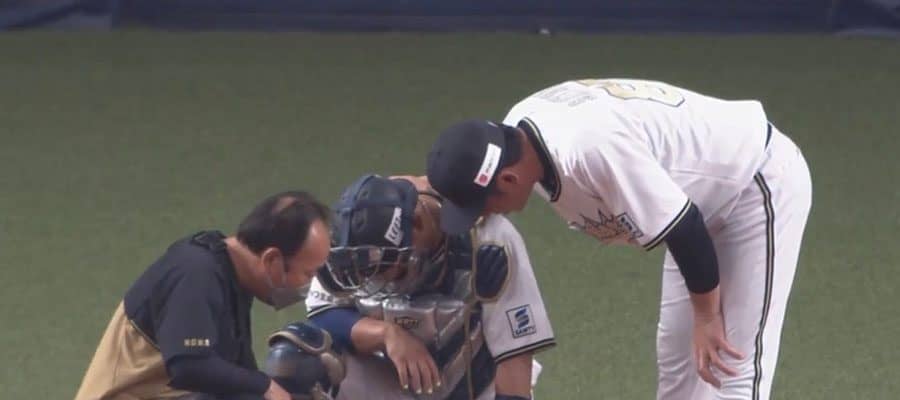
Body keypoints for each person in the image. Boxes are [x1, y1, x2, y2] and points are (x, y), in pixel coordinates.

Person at [426, 79, 813, 400]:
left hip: (753, 183)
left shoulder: (589, 150)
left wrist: (708, 317)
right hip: (695, 208)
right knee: (679, 360)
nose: (484, 215)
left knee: (733, 366)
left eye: (480, 204)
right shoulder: (515, 137)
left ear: (508, 179)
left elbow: (686, 229)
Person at [298, 174, 555, 400]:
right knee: (298, 359)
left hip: (480, 391)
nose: (381, 284)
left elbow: (515, 356)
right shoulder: (354, 244)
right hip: (395, 386)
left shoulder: (487, 240)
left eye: (392, 270)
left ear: (418, 225)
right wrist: (386, 334)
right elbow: (323, 314)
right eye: (369, 275)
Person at [75, 191, 332, 400]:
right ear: (272, 260)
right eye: (308, 273)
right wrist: (263, 385)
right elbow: (188, 366)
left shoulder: (231, 276)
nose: (309, 283)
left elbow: (236, 371)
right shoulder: (196, 272)